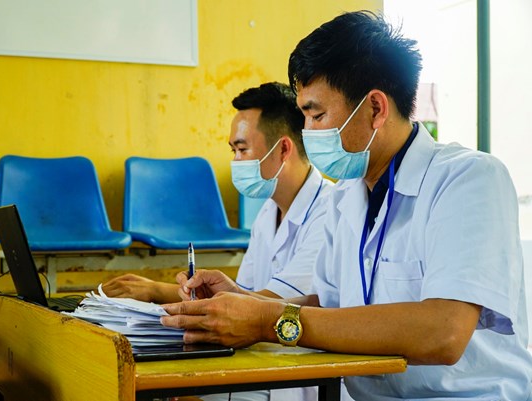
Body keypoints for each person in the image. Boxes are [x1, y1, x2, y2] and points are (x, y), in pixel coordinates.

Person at [162, 11, 532, 400]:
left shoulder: (467, 180)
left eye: (317, 115)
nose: (308, 132)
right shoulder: (347, 196)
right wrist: (242, 302)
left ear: (375, 109)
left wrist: (267, 321)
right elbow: (328, 306)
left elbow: (444, 332)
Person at [102, 82, 334, 400]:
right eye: (232, 151)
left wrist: (158, 291)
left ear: (283, 149)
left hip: (300, 376)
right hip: (263, 360)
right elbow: (244, 295)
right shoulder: (268, 212)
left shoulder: (329, 212)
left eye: (242, 150)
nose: (236, 161)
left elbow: (268, 305)